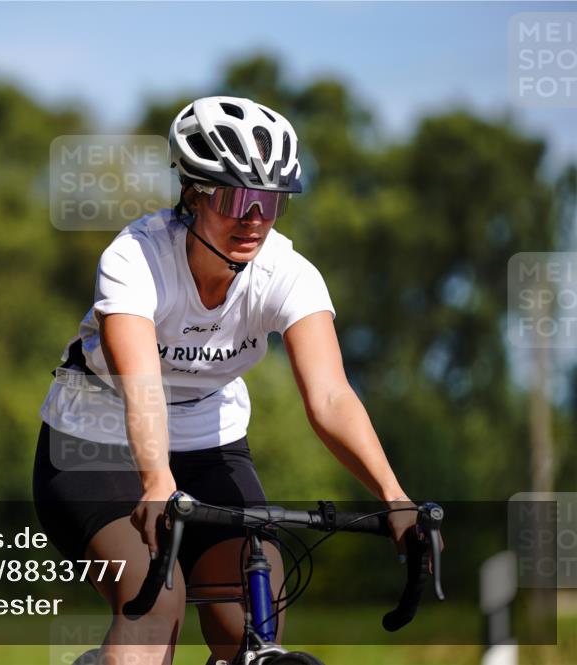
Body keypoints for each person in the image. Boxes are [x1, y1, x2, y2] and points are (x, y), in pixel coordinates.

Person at [33, 96, 418, 665]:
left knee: (256, 604)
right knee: (156, 599)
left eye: (269, 201)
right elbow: (140, 384)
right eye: (237, 197)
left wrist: (394, 496)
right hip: (98, 437)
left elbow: (332, 395)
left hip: (211, 439)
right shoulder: (135, 259)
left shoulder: (287, 274)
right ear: (193, 196)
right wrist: (158, 480)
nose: (253, 218)